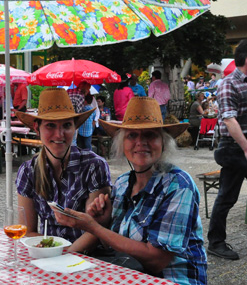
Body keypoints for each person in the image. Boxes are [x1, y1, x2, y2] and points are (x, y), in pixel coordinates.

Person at [54, 97, 207, 285]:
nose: (140, 142)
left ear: (164, 143)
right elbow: (116, 242)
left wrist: (95, 227)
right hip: (128, 274)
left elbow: (157, 260)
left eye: (150, 135)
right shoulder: (123, 183)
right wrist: (103, 221)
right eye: (132, 136)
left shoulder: (179, 185)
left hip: (172, 279)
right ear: (122, 144)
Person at [14, 88, 110, 251]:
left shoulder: (94, 165)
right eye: (50, 125)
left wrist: (63, 256)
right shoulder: (28, 171)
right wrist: (53, 253)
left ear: (74, 128)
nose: (59, 134)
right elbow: (28, 231)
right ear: (37, 129)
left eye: (66, 125)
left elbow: (96, 229)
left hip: (88, 258)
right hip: (47, 255)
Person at [207, 39, 247, 261]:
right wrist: (246, 148)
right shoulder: (228, 83)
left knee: (226, 196)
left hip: (241, 146)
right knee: (226, 197)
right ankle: (215, 242)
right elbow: (230, 120)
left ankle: (216, 241)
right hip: (233, 147)